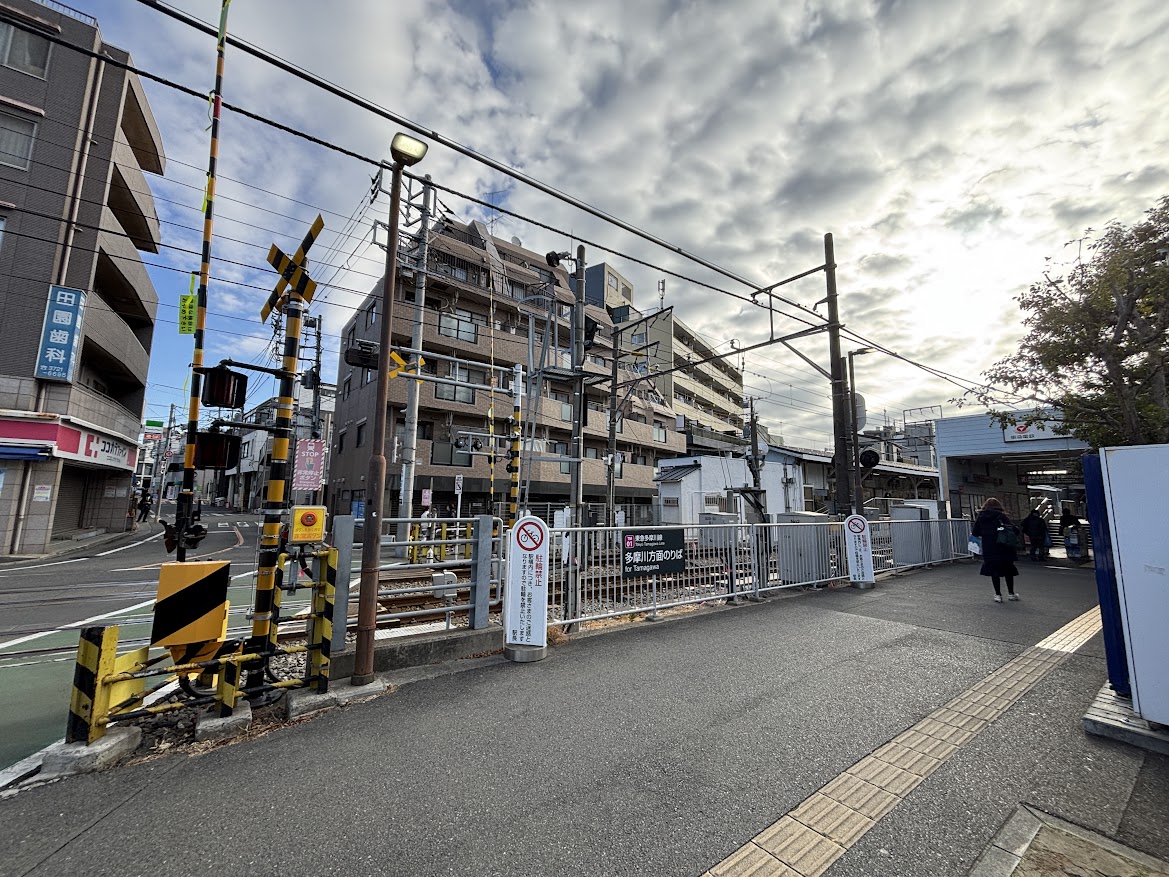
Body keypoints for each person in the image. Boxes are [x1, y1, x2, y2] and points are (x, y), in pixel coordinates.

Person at [972, 497, 1020, 603]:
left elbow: (975, 532)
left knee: (994, 571)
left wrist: (986, 534)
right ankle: (1011, 593)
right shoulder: (1001, 516)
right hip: (1004, 547)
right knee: (1008, 570)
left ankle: (998, 595)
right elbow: (1014, 530)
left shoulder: (981, 517)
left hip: (989, 547)